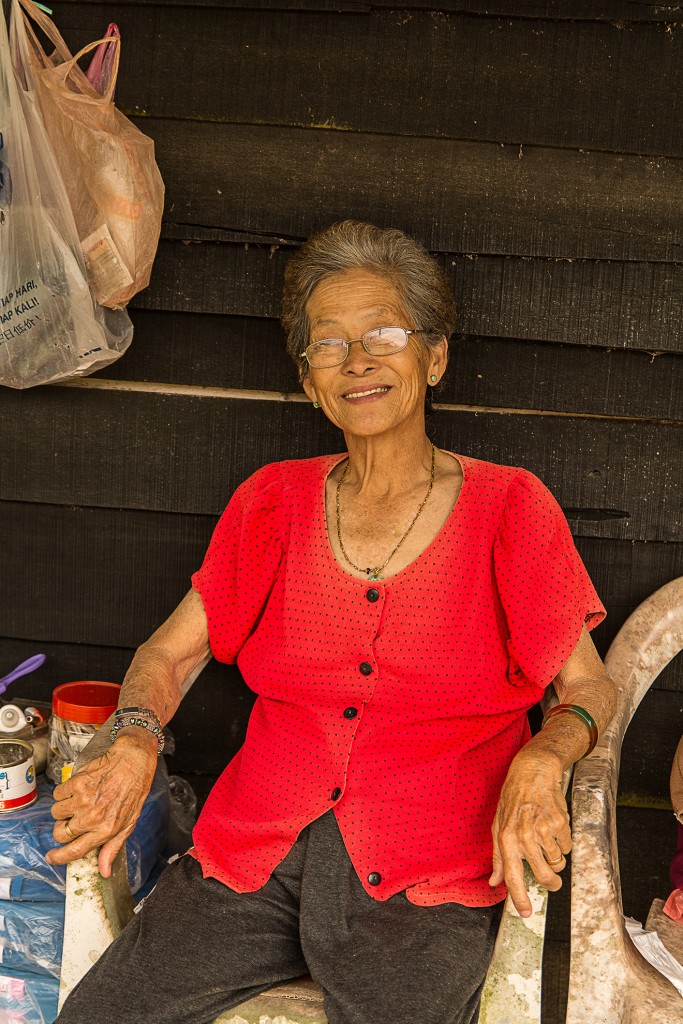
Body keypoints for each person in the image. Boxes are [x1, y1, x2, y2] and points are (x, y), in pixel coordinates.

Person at [50, 221, 616, 1024]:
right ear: (308, 380)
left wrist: (543, 756)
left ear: (434, 357)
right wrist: (136, 732)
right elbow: (169, 656)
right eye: (328, 344)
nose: (357, 361)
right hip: (255, 852)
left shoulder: (509, 507)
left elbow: (589, 687)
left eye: (384, 334)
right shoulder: (272, 501)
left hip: (429, 869)